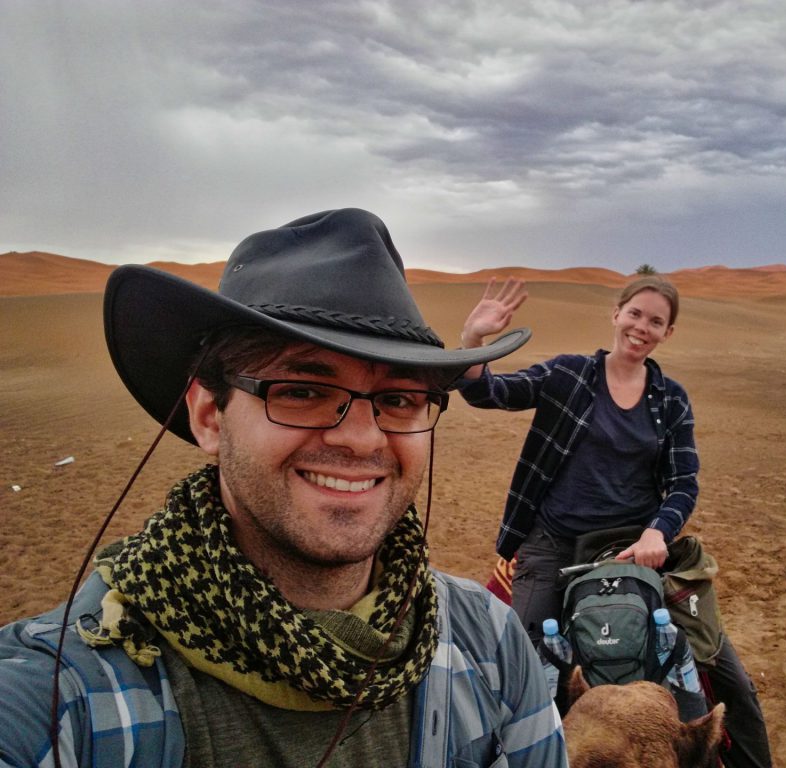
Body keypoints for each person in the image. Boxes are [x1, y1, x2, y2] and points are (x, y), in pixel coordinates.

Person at [0, 209, 567, 767]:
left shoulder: (490, 645)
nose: (362, 439)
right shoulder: (67, 687)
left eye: (399, 400)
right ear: (208, 417)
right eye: (300, 391)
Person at [456, 275, 773, 768]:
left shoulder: (670, 399)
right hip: (553, 545)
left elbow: (684, 481)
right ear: (616, 314)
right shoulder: (569, 375)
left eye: (656, 321)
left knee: (729, 678)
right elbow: (488, 392)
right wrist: (474, 340)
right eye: (636, 314)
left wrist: (656, 532)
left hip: (636, 549)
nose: (642, 327)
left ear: (667, 333)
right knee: (515, 673)